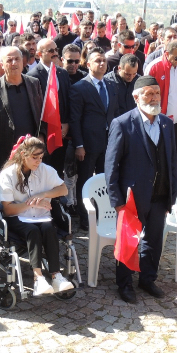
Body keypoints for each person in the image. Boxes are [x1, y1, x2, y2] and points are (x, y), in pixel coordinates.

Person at [105, 76, 177, 303]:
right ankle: (124, 284)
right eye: (149, 93)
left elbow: (172, 161)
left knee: (154, 240)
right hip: (132, 198)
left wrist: (171, 195)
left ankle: (148, 279)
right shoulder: (123, 123)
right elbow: (111, 164)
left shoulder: (166, 124)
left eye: (157, 93)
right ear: (136, 97)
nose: (154, 97)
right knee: (129, 241)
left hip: (160, 194)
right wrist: (117, 199)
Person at [0, 136, 74, 296]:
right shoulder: (8, 174)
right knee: (32, 231)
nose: (38, 161)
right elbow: (8, 210)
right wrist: (32, 203)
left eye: (40, 157)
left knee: (49, 228)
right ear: (23, 154)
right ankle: (38, 277)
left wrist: (44, 194)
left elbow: (63, 189)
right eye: (34, 158)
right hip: (18, 217)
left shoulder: (45, 170)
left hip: (42, 216)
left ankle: (56, 275)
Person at [69, 48, 117, 229]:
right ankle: (85, 217)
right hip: (88, 145)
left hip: (108, 143)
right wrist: (79, 144)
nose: (102, 63)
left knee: (105, 179)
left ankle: (103, 212)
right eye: (98, 60)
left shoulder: (112, 86)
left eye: (104, 60)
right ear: (88, 64)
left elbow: (115, 113)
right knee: (86, 181)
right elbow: (75, 119)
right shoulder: (79, 88)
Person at [0, 46, 44, 174]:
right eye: (9, 60)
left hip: (32, 152)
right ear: (1, 65)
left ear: (23, 62)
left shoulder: (34, 83)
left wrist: (41, 137)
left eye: (17, 59)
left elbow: (41, 114)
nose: (14, 63)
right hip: (4, 155)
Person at [28, 39, 71, 177]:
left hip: (61, 130)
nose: (55, 53)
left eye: (56, 50)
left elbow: (66, 100)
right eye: (51, 51)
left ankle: (57, 196)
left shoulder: (62, 73)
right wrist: (41, 132)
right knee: (43, 167)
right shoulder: (32, 76)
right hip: (43, 132)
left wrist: (66, 123)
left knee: (58, 165)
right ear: (39, 54)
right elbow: (33, 107)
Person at [149, 39, 177, 162]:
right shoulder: (155, 66)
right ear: (167, 53)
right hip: (158, 121)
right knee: (158, 158)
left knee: (175, 158)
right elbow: (145, 94)